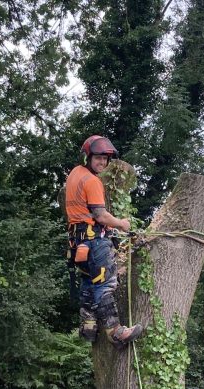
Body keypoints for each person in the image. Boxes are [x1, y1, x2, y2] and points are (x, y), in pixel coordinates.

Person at [65, 135, 143, 349]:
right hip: (94, 243)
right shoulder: (92, 181)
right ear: (88, 157)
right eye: (99, 158)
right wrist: (121, 224)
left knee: (89, 282)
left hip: (77, 242)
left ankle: (89, 325)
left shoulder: (74, 174)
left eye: (106, 159)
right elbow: (100, 215)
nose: (103, 163)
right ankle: (115, 331)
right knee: (105, 283)